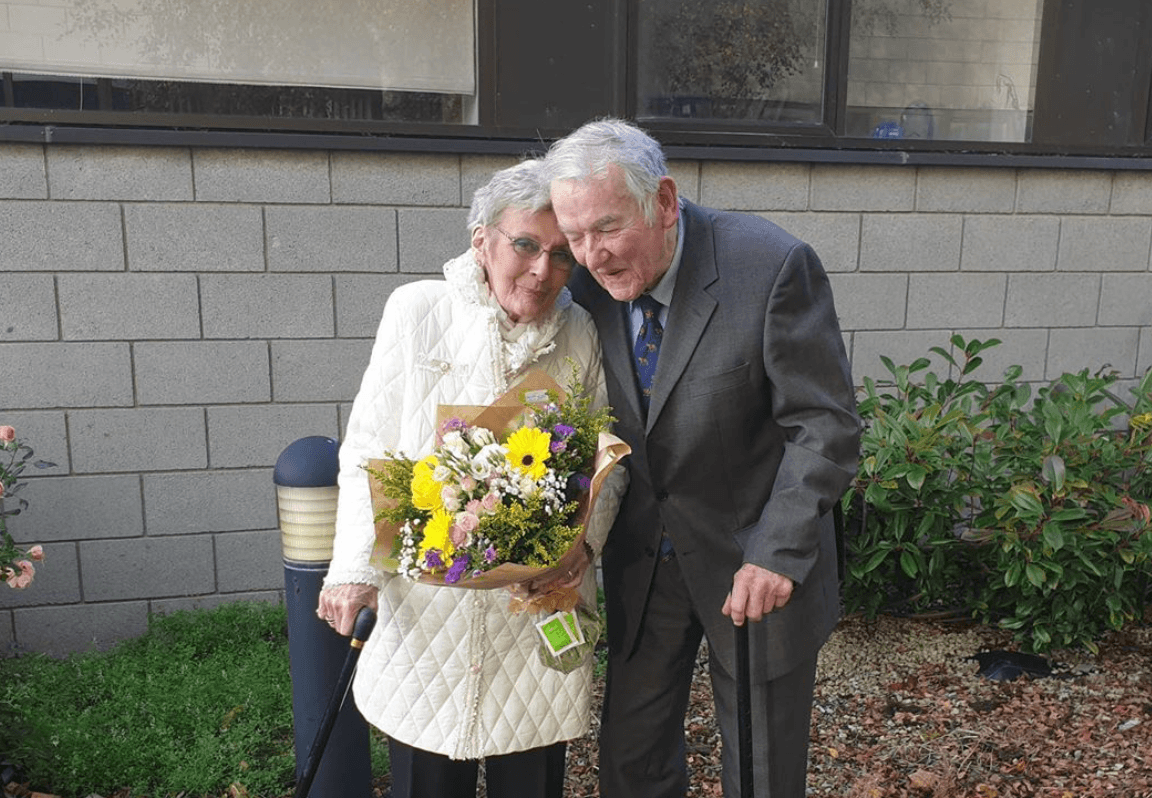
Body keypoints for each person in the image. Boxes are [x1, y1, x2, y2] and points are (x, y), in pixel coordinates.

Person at [544, 118, 861, 798]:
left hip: (752, 553)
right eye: (574, 236)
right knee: (631, 756)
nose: (590, 255)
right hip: (645, 559)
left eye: (605, 228)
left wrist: (777, 551)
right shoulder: (584, 288)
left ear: (662, 202)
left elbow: (826, 424)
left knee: (761, 767)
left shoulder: (770, 266)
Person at [317, 158, 622, 798]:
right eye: (525, 245)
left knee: (529, 779)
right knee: (428, 778)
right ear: (480, 237)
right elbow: (367, 445)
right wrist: (352, 569)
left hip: (536, 605)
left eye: (562, 255)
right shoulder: (418, 310)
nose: (543, 270)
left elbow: (606, 457)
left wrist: (583, 544)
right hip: (431, 613)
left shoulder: (580, 330)